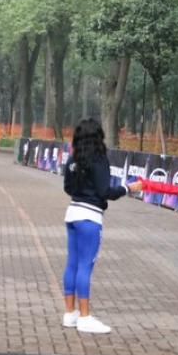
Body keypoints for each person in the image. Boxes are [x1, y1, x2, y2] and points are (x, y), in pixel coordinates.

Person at [61, 118, 143, 334]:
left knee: (72, 264)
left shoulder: (73, 158)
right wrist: (128, 188)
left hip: (73, 213)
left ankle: (70, 313)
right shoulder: (98, 159)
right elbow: (105, 191)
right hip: (90, 217)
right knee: (85, 266)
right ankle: (84, 317)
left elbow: (68, 187)